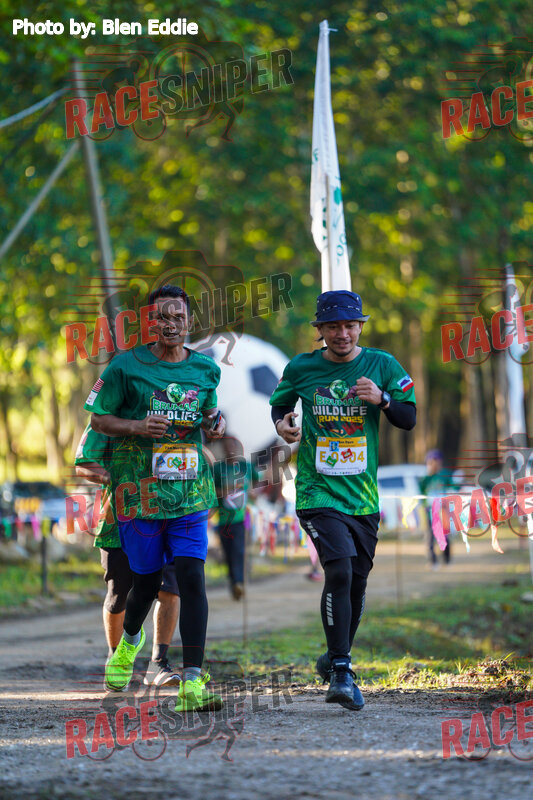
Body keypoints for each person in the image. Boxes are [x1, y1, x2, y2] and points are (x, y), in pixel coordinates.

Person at [270, 290, 416, 711]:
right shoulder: (301, 367)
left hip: (363, 496)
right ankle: (341, 670)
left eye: (350, 325)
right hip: (317, 491)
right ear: (320, 330)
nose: (342, 333)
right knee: (338, 571)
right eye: (332, 326)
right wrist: (283, 424)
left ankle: (335, 657)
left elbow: (409, 418)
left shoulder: (383, 365)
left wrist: (383, 399)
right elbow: (280, 404)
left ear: (360, 327)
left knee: (357, 581)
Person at [85, 284, 225, 712]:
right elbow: (98, 418)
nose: (171, 324)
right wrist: (136, 427)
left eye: (178, 317)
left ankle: (192, 682)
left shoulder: (206, 369)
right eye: (163, 317)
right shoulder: (125, 366)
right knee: (144, 585)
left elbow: (209, 415)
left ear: (189, 321)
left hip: (189, 492)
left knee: (191, 577)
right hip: (139, 495)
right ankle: (129, 644)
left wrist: (216, 423)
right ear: (150, 322)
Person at [74, 424, 182, 687]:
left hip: (166, 515)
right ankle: (117, 658)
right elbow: (83, 464)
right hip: (119, 520)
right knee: (119, 592)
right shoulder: (108, 417)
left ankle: (158, 663)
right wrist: (116, 479)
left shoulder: (174, 413)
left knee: (169, 588)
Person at [212, 436, 257, 600]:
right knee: (229, 553)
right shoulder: (218, 469)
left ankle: (239, 582)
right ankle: (234, 584)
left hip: (241, 517)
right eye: (226, 446)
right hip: (224, 519)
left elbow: (257, 483)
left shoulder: (246, 466)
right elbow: (211, 490)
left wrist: (252, 493)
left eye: (233, 446)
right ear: (223, 449)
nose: (230, 449)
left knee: (239, 551)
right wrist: (226, 491)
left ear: (238, 448)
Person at [419, 449, 456, 568]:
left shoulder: (445, 474)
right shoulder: (426, 477)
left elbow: (454, 487)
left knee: (445, 534)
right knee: (430, 535)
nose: (434, 464)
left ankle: (446, 559)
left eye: (436, 461)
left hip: (443, 508)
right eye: (431, 461)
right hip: (430, 509)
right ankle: (432, 560)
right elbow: (421, 491)